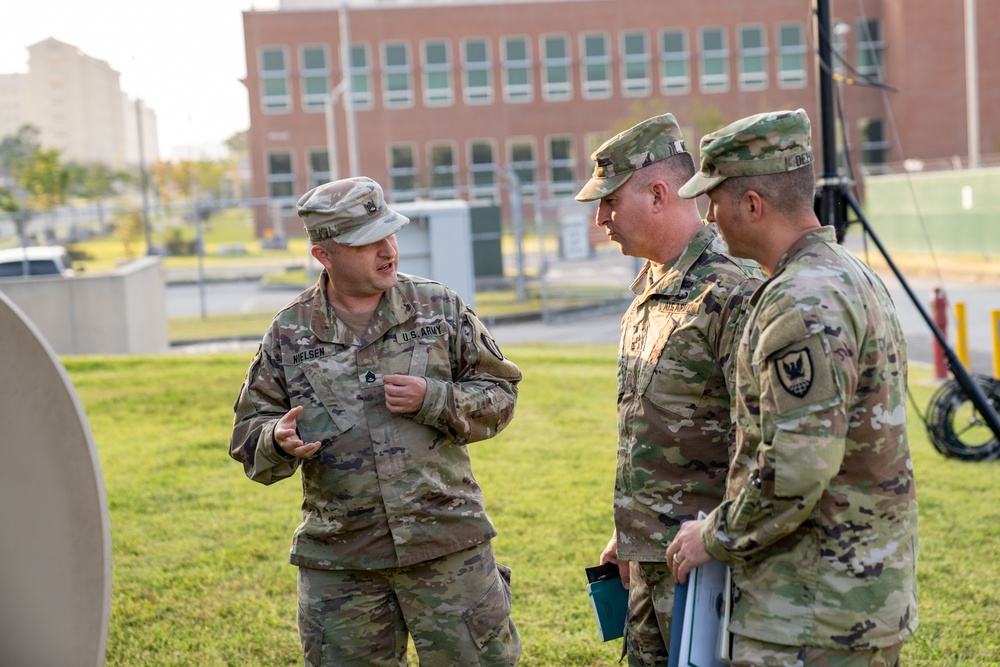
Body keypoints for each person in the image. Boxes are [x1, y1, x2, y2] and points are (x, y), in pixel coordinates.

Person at [229, 176, 522, 667]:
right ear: (325, 256)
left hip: (446, 544)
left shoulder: (440, 309)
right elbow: (248, 437)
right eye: (367, 242)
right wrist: (277, 441)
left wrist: (437, 399)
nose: (388, 250)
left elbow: (501, 394)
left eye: (390, 233)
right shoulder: (289, 333)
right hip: (343, 561)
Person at [667, 109, 918, 666]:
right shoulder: (849, 275)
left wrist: (710, 535)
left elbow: (797, 470)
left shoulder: (800, 302)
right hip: (849, 603)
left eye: (715, 198)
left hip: (807, 616)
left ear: (752, 205)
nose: (709, 215)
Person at [575, 113, 765, 665]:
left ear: (658, 194)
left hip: (708, 564)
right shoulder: (651, 289)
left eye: (609, 201)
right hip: (650, 561)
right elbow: (649, 427)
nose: (601, 219)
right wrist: (628, 532)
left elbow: (756, 437)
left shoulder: (732, 290)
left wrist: (718, 539)